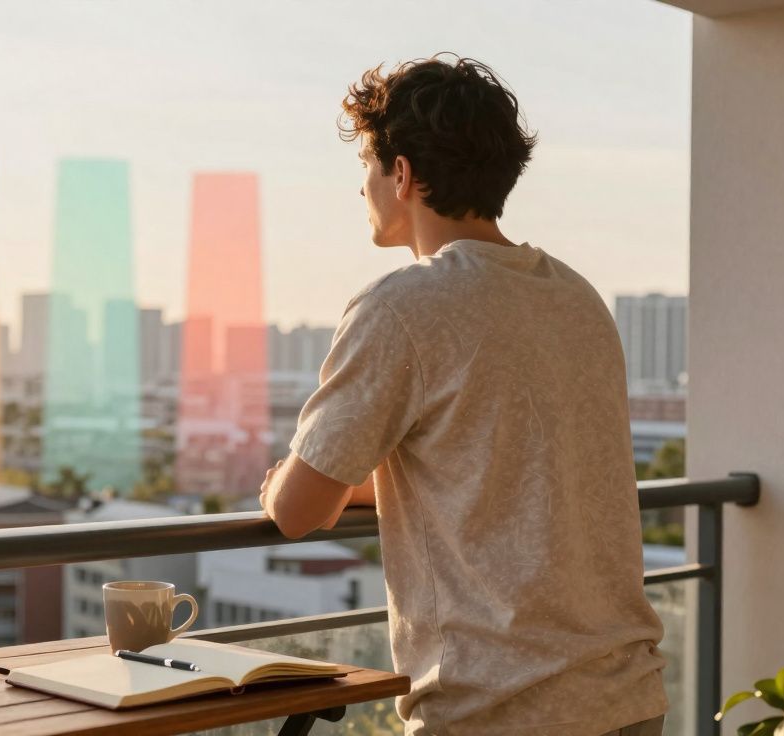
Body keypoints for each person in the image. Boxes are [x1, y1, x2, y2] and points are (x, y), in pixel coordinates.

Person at [258, 54, 668, 736]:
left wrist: (279, 483)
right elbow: (506, 475)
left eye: (367, 167)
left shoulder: (404, 307)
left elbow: (298, 510)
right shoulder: (575, 296)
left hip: (498, 711)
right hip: (625, 699)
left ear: (403, 174)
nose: (361, 189)